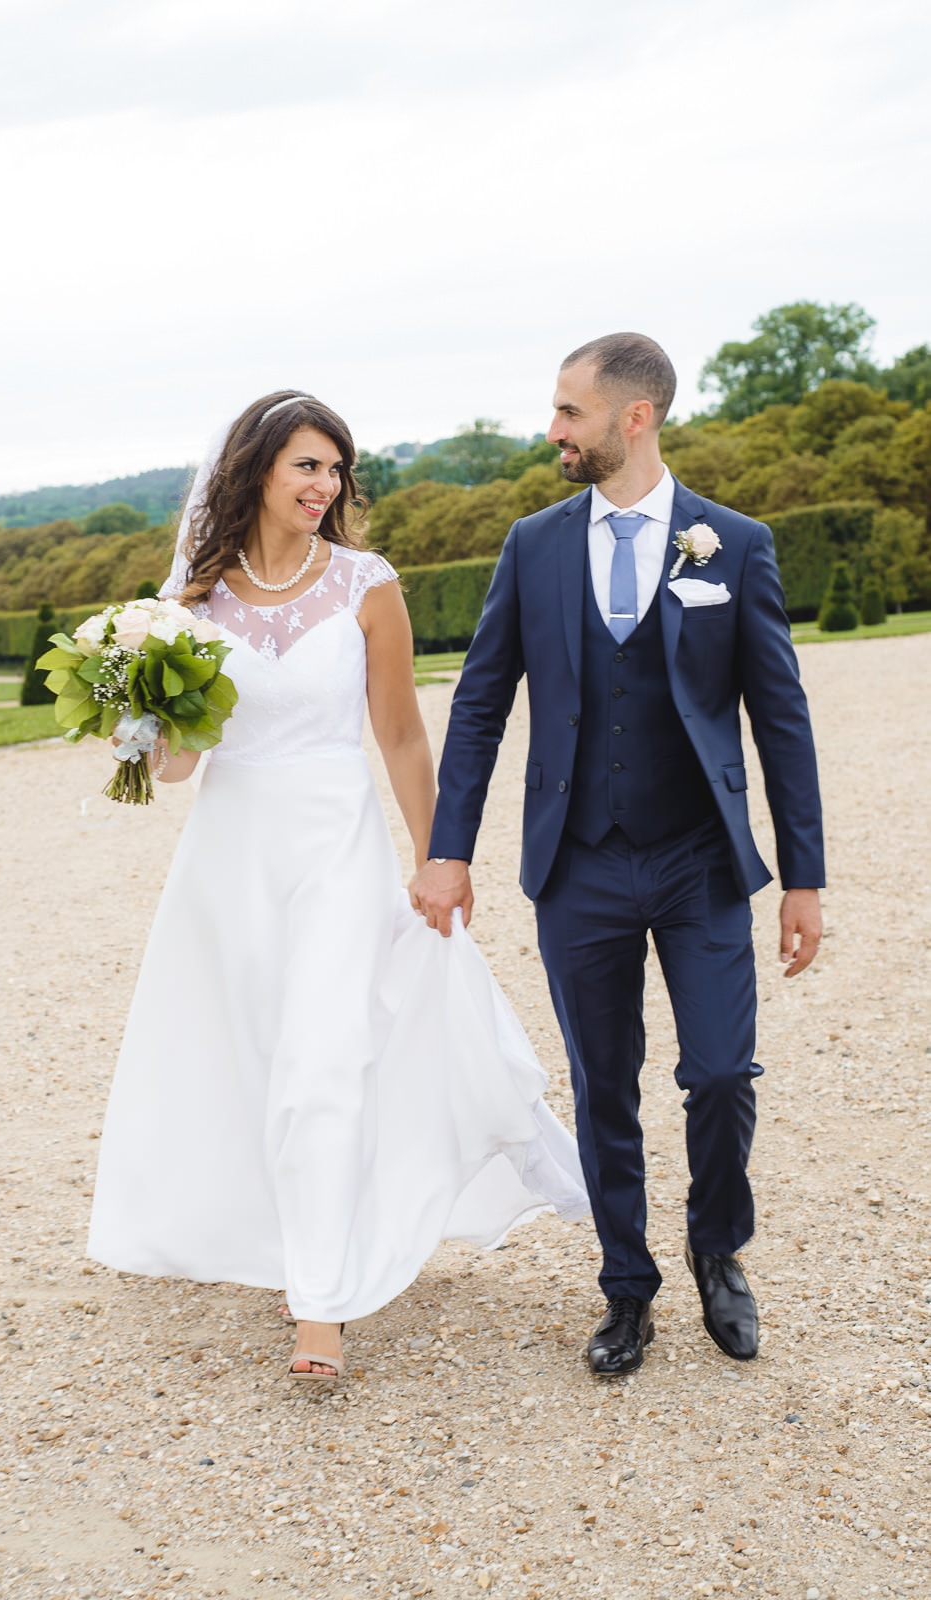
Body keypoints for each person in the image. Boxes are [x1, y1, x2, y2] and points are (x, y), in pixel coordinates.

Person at [87, 391, 589, 1383]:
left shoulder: (368, 584)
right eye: (305, 467)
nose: (324, 486)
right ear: (255, 472)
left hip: (335, 847)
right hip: (230, 859)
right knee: (256, 1059)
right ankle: (294, 1240)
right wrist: (136, 716)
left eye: (334, 469)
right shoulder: (192, 601)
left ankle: (320, 1303)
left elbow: (400, 732)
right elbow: (180, 770)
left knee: (322, 1062)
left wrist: (438, 853)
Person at [411, 335, 824, 1376]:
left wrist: (804, 875)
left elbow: (782, 719)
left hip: (698, 861)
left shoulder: (734, 544)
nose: (553, 430)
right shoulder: (532, 545)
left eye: (569, 412)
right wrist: (447, 849)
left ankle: (717, 1248)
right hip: (580, 860)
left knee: (722, 1073)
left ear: (633, 418)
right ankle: (626, 1286)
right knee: (604, 1084)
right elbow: (479, 707)